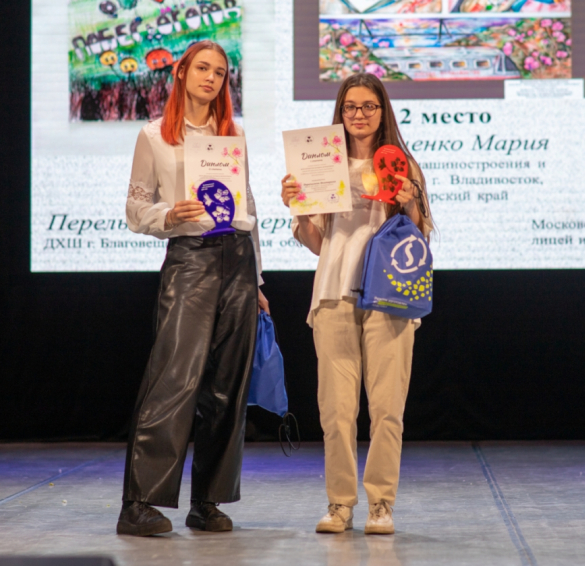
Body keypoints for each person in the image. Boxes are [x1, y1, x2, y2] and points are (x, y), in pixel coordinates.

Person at [118, 40, 268, 537]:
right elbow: (135, 209)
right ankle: (139, 503)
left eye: (220, 72)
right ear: (181, 73)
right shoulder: (154, 136)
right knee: (174, 380)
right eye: (202, 68)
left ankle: (207, 501)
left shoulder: (233, 135)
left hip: (239, 260)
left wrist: (258, 280)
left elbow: (249, 208)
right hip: (191, 259)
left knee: (227, 387)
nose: (211, 78)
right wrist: (169, 214)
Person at [281, 73, 432, 535]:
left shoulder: (402, 164)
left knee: (387, 408)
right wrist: (298, 206)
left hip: (390, 297)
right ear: (340, 112)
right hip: (333, 291)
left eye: (368, 106)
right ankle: (340, 504)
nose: (359, 115)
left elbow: (419, 239)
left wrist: (409, 203)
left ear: (383, 111)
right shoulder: (322, 162)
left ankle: (381, 504)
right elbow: (317, 243)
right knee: (336, 410)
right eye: (350, 107)